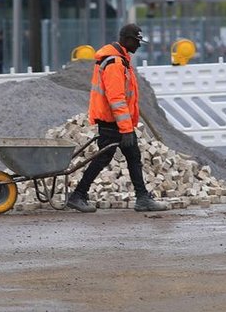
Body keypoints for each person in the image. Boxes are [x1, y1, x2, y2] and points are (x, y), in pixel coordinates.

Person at [67, 24, 168, 213]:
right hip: (113, 122)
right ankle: (78, 195)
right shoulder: (115, 63)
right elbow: (116, 100)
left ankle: (142, 197)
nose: (138, 46)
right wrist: (126, 129)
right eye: (137, 42)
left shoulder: (120, 59)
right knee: (106, 157)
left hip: (115, 121)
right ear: (128, 40)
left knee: (131, 156)